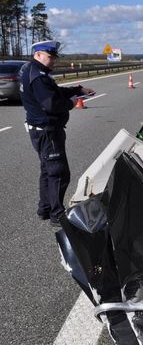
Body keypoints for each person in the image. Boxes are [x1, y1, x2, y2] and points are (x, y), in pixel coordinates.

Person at [20, 40, 95, 227]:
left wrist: (77, 90)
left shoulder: (35, 71)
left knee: (47, 170)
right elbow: (51, 104)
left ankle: (45, 208)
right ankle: (57, 215)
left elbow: (54, 91)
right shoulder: (38, 76)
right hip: (47, 131)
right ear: (37, 54)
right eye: (50, 56)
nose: (53, 60)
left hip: (41, 130)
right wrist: (72, 102)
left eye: (54, 57)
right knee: (59, 173)